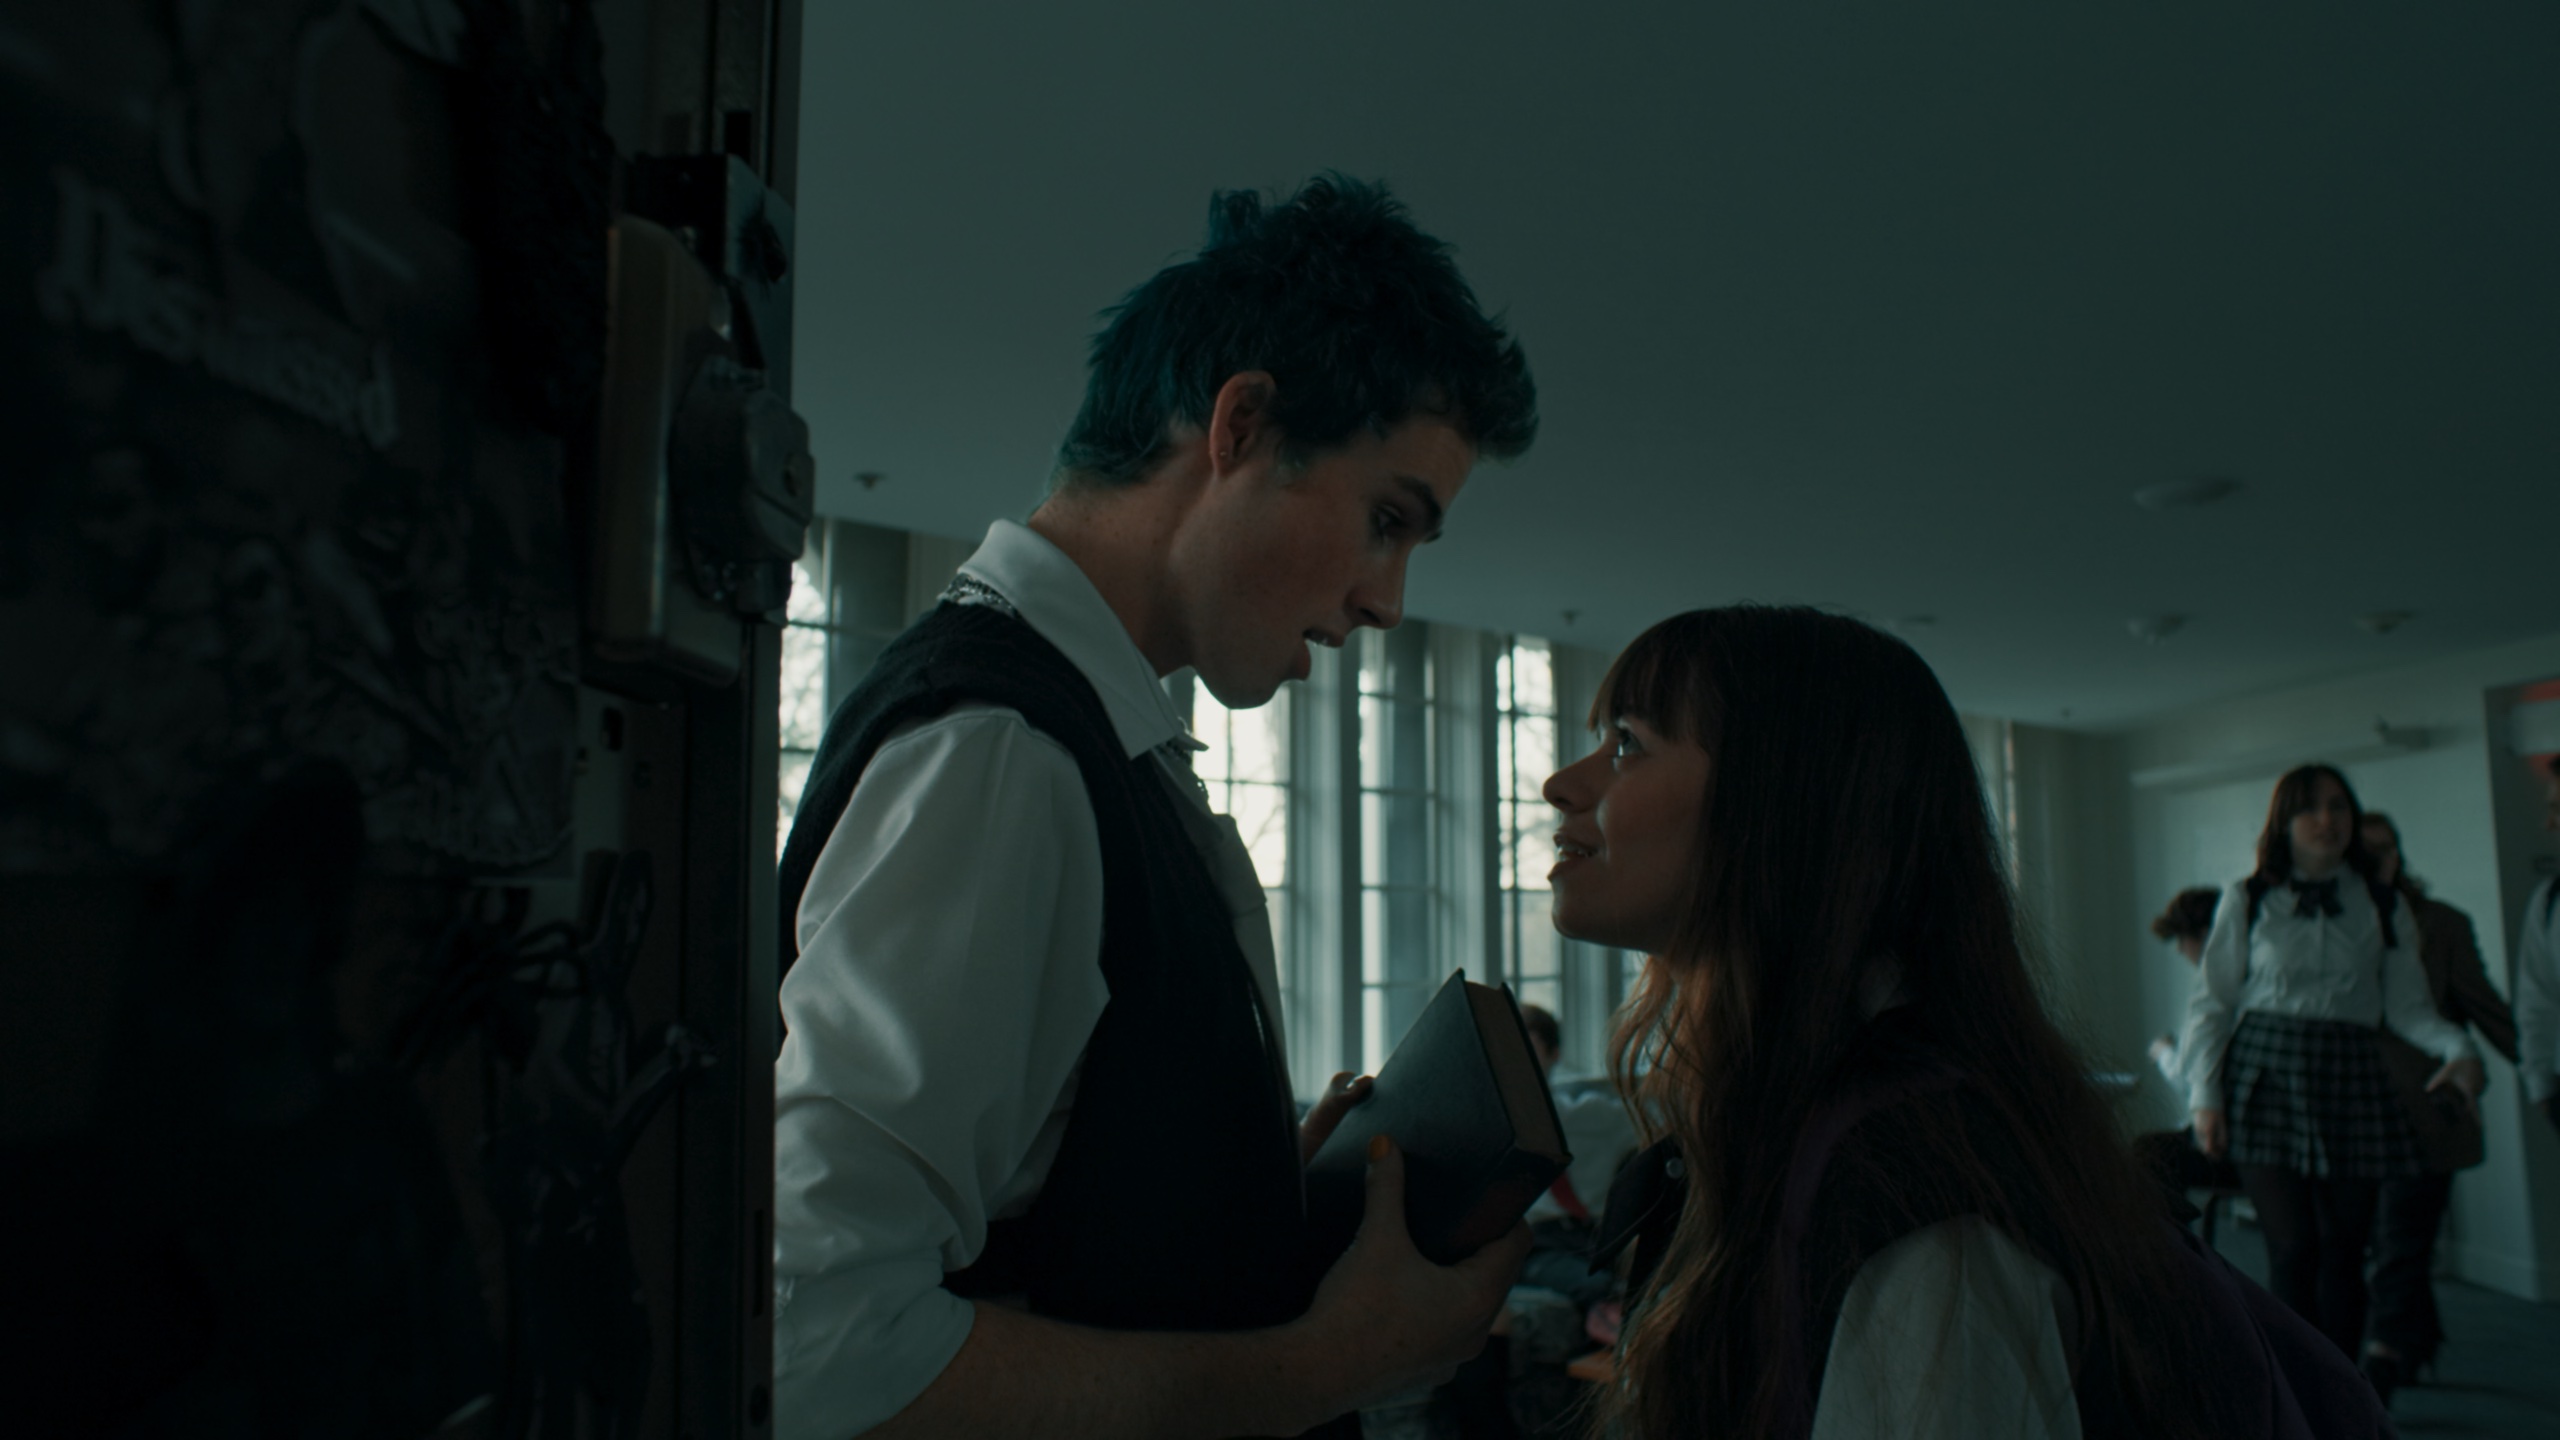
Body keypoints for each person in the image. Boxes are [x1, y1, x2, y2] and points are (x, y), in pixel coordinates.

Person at [769, 176, 1538, 1439]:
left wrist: (1233, 1193)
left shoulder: (1080, 735)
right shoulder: (1005, 752)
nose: (1388, 601)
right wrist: (1327, 1368)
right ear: (1242, 425)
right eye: (1386, 519)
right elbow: (815, 1345)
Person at [1543, 606, 2225, 1438]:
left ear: (1784, 800)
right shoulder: (1783, 1121)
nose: (1560, 783)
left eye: (1627, 743)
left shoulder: (1916, 1195)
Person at [2176, 765, 2485, 1367]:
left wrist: (2461, 1050)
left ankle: (2344, 1395)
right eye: (2311, 808)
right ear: (2284, 821)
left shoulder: (2383, 903)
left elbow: (2409, 1009)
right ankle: (2295, 1395)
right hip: (2265, 1075)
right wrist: (2204, 1096)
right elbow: (2212, 1002)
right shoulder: (2248, 897)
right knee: (2292, 1249)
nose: (2327, 819)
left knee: (2343, 1252)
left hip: (2352, 1075)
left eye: (2339, 806)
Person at [2355, 811, 2517, 1399]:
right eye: (2367, 851)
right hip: (2350, 1111)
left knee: (2402, 1237)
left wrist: (2542, 1064)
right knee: (2380, 1240)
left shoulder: (2440, 924)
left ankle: (2384, 1356)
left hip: (2426, 1108)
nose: (2381, 859)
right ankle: (2411, 1340)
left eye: (2388, 848)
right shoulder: (2333, 922)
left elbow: (2483, 1005)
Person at [2133, 888, 2242, 1201]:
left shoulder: (2213, 1004)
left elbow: (2190, 1081)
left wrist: (2163, 1053)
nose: (2181, 950)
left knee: (2148, 1153)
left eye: (2182, 940)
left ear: (2206, 936)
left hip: (2226, 1143)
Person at [2519, 753, 2560, 1140]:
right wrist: (2541, 1085)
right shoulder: (2550, 900)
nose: (2550, 823)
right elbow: (2537, 997)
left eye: (2557, 809)